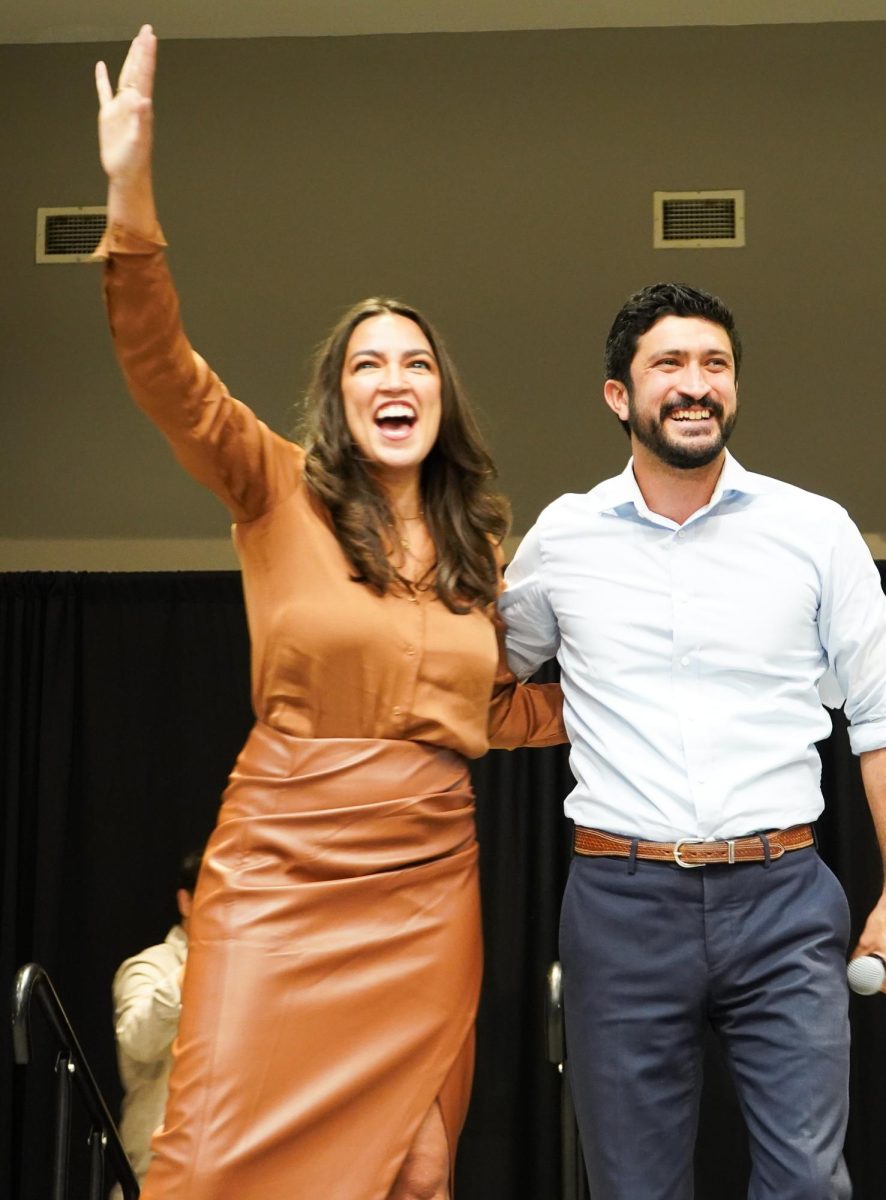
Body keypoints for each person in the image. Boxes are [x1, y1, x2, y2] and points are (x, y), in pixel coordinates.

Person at [93, 26, 564, 1200]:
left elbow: (493, 711)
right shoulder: (273, 487)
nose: (393, 378)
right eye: (367, 364)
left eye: (415, 363)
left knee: (415, 1169)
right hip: (279, 868)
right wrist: (130, 185)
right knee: (204, 1160)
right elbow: (163, 368)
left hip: (424, 882)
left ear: (440, 397)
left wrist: (673, 682)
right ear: (336, 397)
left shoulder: (481, 549)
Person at [498, 282, 886, 1199]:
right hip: (620, 906)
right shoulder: (562, 540)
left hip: (782, 900)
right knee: (635, 1189)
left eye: (715, 364)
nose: (695, 385)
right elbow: (480, 679)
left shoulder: (815, 530)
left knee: (808, 1186)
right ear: (620, 395)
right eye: (669, 364)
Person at [110, 852, 201, 1199]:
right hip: (157, 1175)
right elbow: (138, 1040)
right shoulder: (149, 966)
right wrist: (204, 959)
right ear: (186, 900)